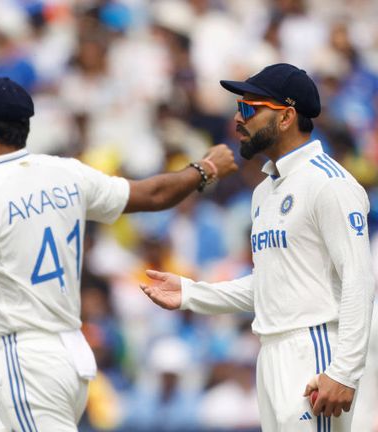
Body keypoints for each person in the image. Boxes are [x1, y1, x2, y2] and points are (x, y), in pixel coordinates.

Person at [0, 76, 238, 431]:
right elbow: (154, 195)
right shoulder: (66, 173)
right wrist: (205, 168)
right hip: (73, 355)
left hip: (26, 359)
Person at [140, 63, 375, 431]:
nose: (238, 117)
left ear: (286, 117)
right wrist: (191, 293)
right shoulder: (265, 192)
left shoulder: (329, 184)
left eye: (249, 108)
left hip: (314, 349)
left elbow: (360, 280)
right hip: (271, 354)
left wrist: (343, 371)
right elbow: (269, 283)